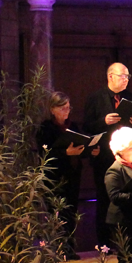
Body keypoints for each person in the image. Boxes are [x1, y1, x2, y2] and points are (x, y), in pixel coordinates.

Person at [83, 63, 132, 242]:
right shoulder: (95, 98)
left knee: (128, 199)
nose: (126, 80)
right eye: (122, 76)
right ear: (110, 76)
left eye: (127, 76)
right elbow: (87, 126)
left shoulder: (130, 97)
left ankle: (127, 241)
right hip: (104, 158)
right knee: (104, 200)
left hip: (128, 160)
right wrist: (104, 121)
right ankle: (104, 243)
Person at [36, 91, 91, 247]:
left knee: (71, 211)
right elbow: (44, 152)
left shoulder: (72, 126)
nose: (66, 112)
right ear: (52, 109)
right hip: (55, 177)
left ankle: (69, 247)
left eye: (68, 108)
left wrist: (89, 150)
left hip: (72, 176)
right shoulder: (45, 128)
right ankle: (59, 249)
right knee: (57, 213)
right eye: (62, 108)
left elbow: (81, 144)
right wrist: (66, 152)